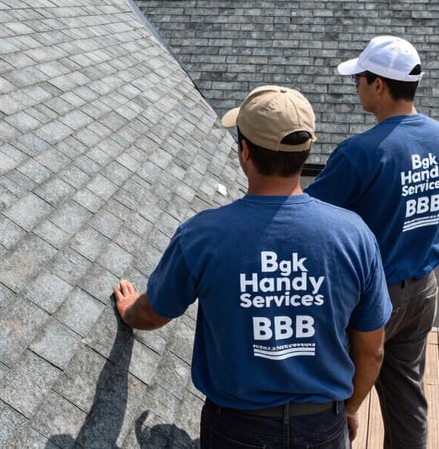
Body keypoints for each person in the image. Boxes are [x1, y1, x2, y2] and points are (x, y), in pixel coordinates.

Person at [114, 85, 392, 449]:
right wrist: (350, 409)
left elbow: (154, 312)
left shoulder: (203, 235)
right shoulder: (354, 235)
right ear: (306, 150)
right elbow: (372, 349)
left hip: (237, 429)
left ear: (245, 151)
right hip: (323, 425)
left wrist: (129, 311)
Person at [305, 36, 439, 449]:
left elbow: (304, 218)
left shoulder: (362, 153)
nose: (355, 86)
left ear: (378, 84)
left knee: (333, 397)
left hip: (374, 299)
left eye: (358, 78)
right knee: (407, 398)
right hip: (423, 291)